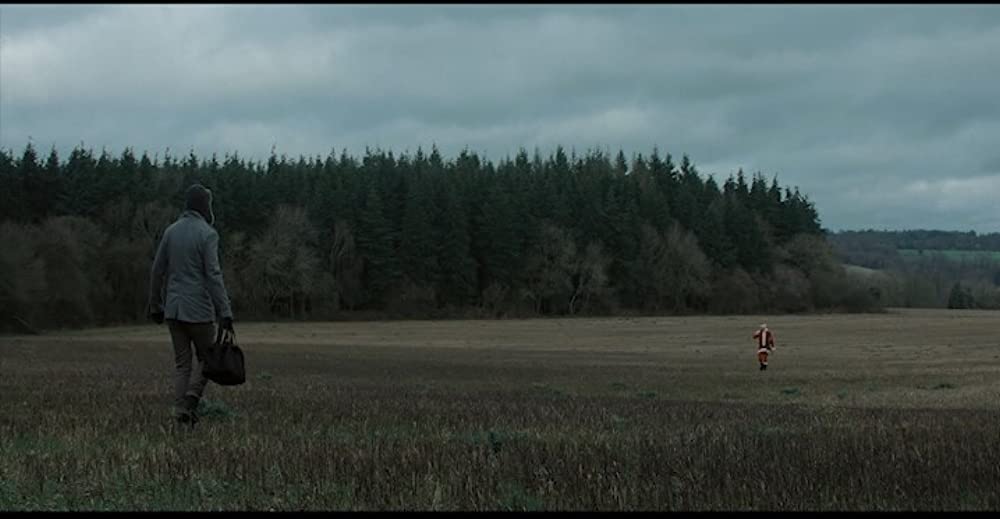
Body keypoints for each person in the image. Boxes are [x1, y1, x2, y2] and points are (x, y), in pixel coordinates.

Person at [148, 184, 234, 426]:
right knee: (208, 358)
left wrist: (155, 304)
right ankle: (191, 400)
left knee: (182, 364)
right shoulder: (207, 234)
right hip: (198, 309)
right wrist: (225, 312)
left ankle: (179, 413)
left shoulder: (170, 231)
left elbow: (157, 270)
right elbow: (213, 275)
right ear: (204, 206)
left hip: (173, 309)